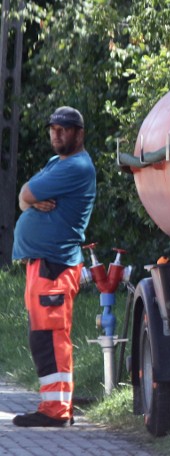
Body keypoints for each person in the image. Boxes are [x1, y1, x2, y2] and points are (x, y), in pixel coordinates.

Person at [11, 106, 97, 428]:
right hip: (44, 265)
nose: (56, 134)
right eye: (53, 129)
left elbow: (27, 193)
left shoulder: (75, 166)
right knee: (42, 336)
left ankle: (56, 411)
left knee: (50, 336)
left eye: (64, 129)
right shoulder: (56, 162)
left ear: (79, 133)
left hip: (55, 265)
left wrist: (29, 198)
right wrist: (28, 200)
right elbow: (23, 196)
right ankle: (55, 406)